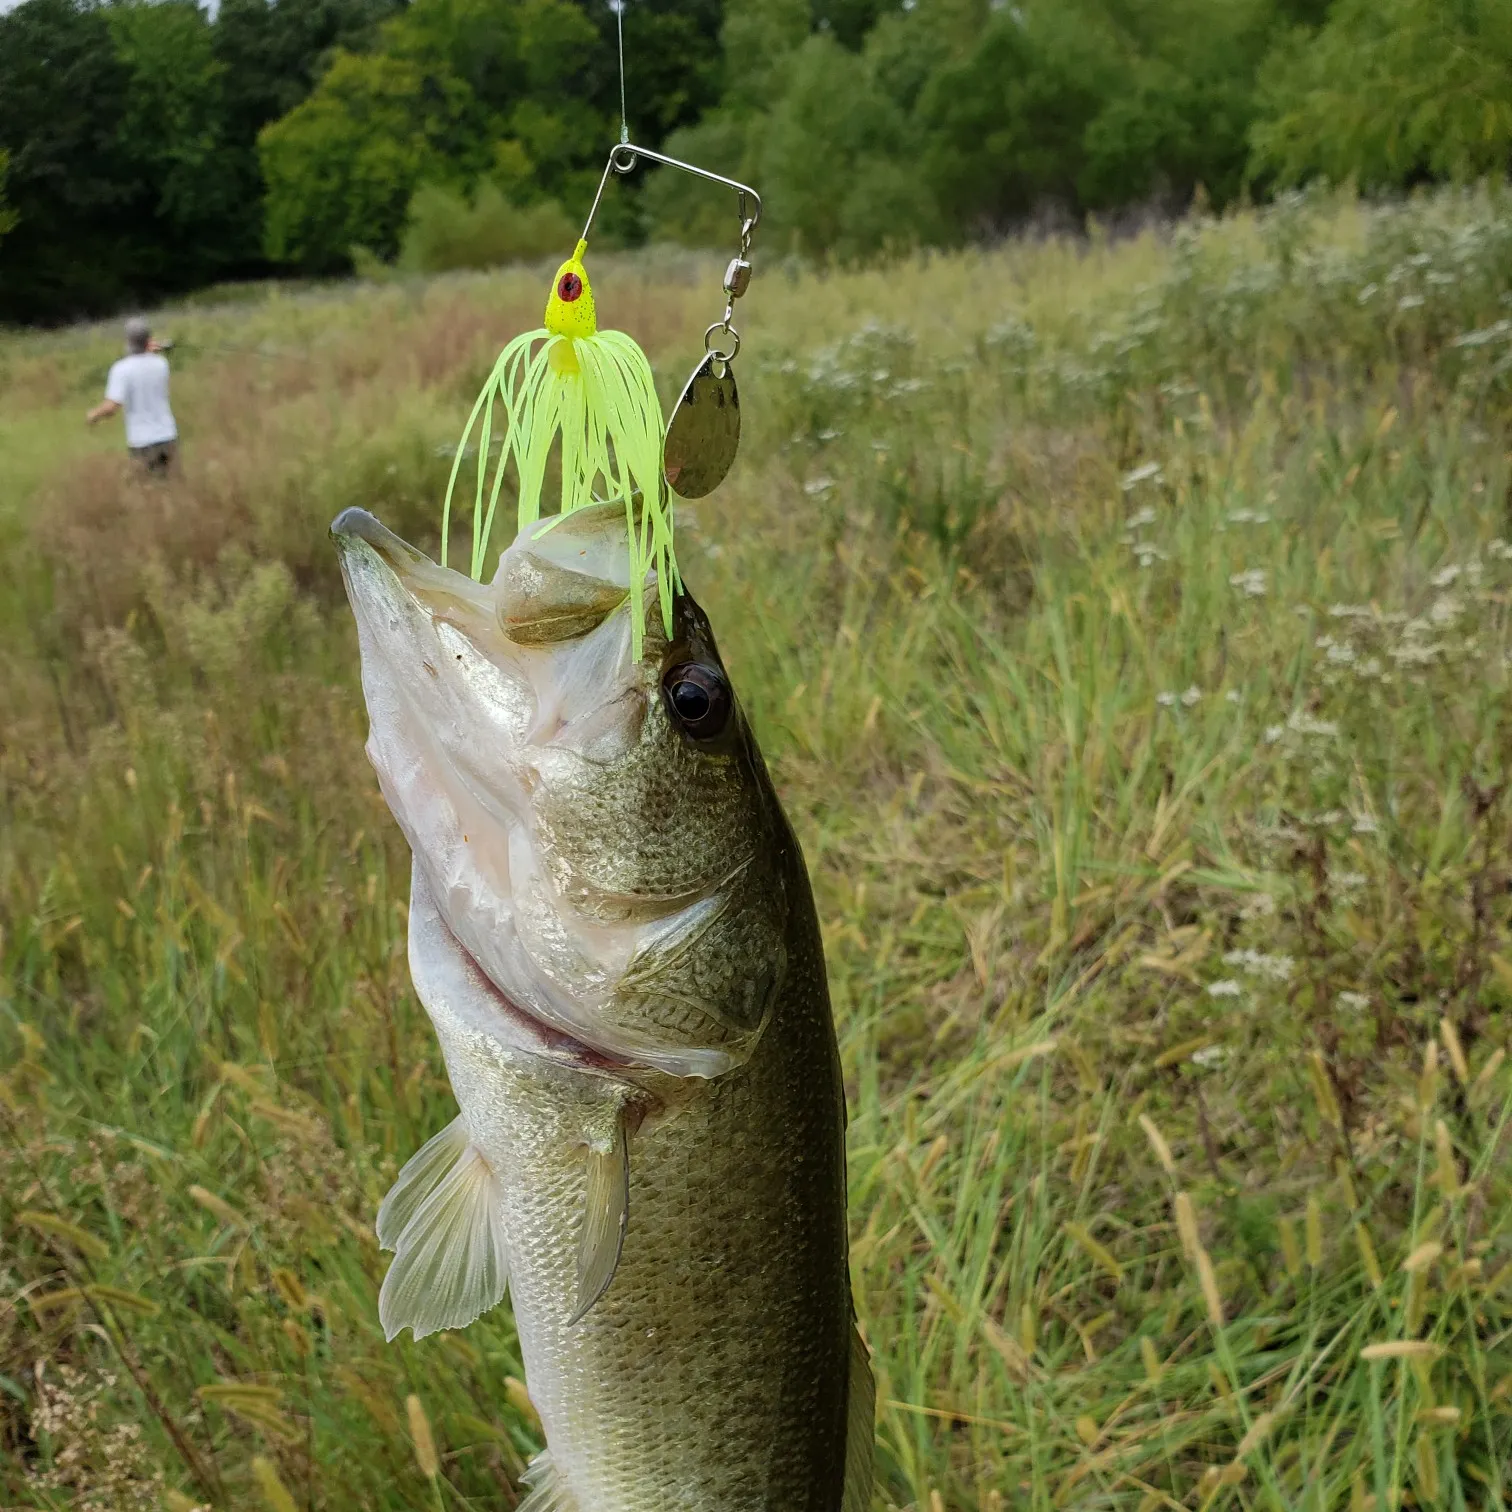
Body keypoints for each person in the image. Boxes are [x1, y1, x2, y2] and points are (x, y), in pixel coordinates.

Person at [86, 316, 178, 472]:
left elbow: (111, 408)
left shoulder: (121, 370)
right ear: (148, 339)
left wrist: (93, 415)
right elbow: (146, 360)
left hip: (142, 442)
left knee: (146, 491)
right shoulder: (161, 364)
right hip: (168, 436)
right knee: (172, 486)